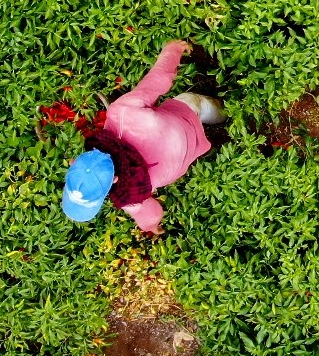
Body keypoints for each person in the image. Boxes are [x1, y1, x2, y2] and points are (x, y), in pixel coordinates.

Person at [61, 41, 224, 234]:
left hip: (183, 156)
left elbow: (151, 214)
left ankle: (218, 133)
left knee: (194, 141)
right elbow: (157, 79)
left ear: (114, 180)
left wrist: (150, 226)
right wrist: (172, 50)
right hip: (182, 117)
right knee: (198, 104)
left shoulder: (130, 194)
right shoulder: (122, 112)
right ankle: (226, 112)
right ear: (73, 162)